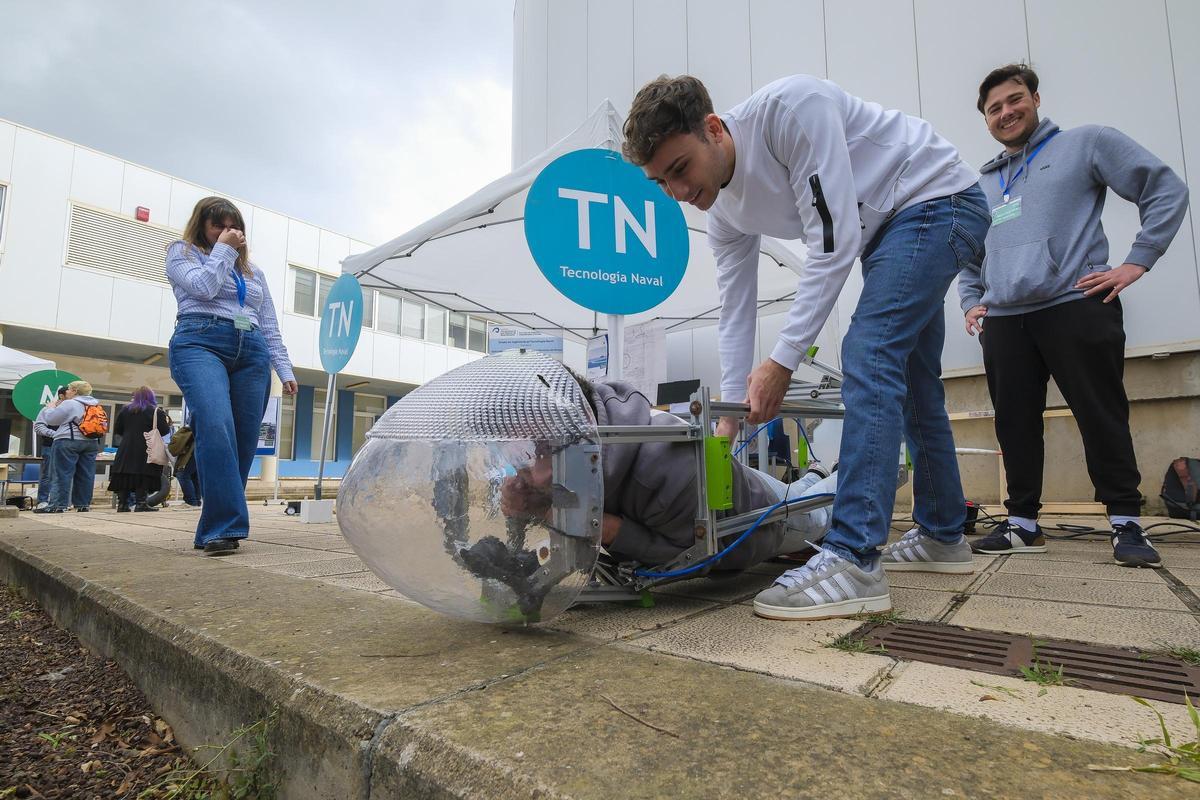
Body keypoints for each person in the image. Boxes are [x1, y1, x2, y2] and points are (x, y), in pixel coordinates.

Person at [623, 74, 989, 620]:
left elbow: (833, 242)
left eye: (680, 169)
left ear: (714, 128)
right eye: (661, 183)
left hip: (937, 199)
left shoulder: (791, 112)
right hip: (891, 229)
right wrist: (728, 416)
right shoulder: (722, 212)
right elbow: (736, 309)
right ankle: (942, 535)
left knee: (868, 353)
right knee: (911, 381)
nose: (677, 193)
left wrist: (781, 362)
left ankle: (853, 557)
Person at [959, 64, 1189, 568]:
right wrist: (972, 299)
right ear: (986, 120)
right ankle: (1022, 523)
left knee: (1099, 413)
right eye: (994, 108)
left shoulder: (1086, 143)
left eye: (1014, 99)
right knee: (1014, 424)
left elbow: (1165, 189)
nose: (1006, 112)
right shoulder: (982, 184)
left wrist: (1137, 261)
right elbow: (971, 254)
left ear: (1036, 99)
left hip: (1075, 305)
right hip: (1006, 321)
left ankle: (1126, 522)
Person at [466, 376, 838, 616]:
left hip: (758, 519)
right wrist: (527, 511)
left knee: (818, 514)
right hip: (726, 483)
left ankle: (848, 476)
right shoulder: (582, 455)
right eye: (516, 451)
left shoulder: (660, 471)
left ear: (579, 434)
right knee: (800, 488)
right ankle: (819, 473)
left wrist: (609, 530)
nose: (521, 469)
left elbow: (694, 557)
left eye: (533, 451)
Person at [166, 196, 297, 555]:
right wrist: (223, 251)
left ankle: (215, 527)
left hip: (252, 351)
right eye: (217, 225)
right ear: (202, 226)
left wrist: (283, 369)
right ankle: (225, 526)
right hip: (200, 342)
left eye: (232, 227)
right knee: (215, 423)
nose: (226, 232)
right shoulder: (182, 253)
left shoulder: (254, 273)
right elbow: (204, 288)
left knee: (242, 439)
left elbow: (269, 324)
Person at [33, 380, 104, 514]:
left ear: (75, 391)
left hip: (68, 440)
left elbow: (52, 419)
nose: (68, 391)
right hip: (91, 441)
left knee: (62, 473)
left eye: (70, 389)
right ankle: (83, 504)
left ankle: (57, 505)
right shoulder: (95, 404)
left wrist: (50, 407)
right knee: (86, 475)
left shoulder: (70, 403)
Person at [108, 386, 171, 512]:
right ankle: (141, 503)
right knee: (144, 474)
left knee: (125, 474)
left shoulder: (125, 410)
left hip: (126, 447)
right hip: (146, 446)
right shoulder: (155, 411)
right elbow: (165, 430)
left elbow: (118, 430)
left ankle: (123, 504)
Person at [32, 386, 68, 510]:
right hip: (50, 445)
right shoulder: (47, 409)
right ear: (62, 396)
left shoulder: (73, 409)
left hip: (67, 447)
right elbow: (38, 427)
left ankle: (62, 502)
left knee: (65, 474)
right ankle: (43, 500)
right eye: (70, 393)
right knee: (47, 474)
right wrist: (55, 435)